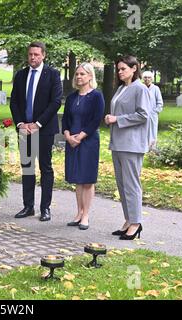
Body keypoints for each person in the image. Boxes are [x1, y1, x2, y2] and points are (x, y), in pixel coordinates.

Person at [10, 41, 62, 222]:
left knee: (45, 168)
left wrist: (38, 124)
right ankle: (28, 206)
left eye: (36, 55)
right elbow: (14, 102)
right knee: (27, 168)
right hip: (24, 130)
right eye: (30, 54)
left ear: (43, 55)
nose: (33, 57)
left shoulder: (53, 75)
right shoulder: (21, 75)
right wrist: (20, 124)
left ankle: (45, 208)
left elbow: (55, 102)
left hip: (44, 129)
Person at [104, 55, 150, 240]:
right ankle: (128, 219)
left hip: (131, 145)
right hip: (118, 142)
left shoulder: (140, 89)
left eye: (123, 68)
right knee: (122, 185)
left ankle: (136, 223)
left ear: (134, 68)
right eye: (118, 69)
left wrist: (118, 119)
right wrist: (110, 118)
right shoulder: (122, 88)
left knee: (131, 185)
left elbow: (143, 115)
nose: (119, 72)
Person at [62, 63, 104, 230]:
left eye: (82, 74)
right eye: (77, 74)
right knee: (77, 180)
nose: (79, 77)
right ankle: (79, 213)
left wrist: (81, 136)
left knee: (87, 180)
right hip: (71, 140)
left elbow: (96, 119)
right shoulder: (72, 97)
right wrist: (67, 135)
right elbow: (65, 118)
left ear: (90, 76)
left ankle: (86, 214)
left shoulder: (96, 96)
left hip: (88, 141)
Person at [142, 71, 163, 151]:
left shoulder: (155, 89)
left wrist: (155, 112)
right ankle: (143, 147)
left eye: (149, 77)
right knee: (142, 130)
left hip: (152, 115)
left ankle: (152, 148)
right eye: (145, 77)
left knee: (152, 131)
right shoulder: (141, 87)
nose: (147, 79)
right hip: (142, 114)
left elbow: (160, 102)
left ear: (152, 79)